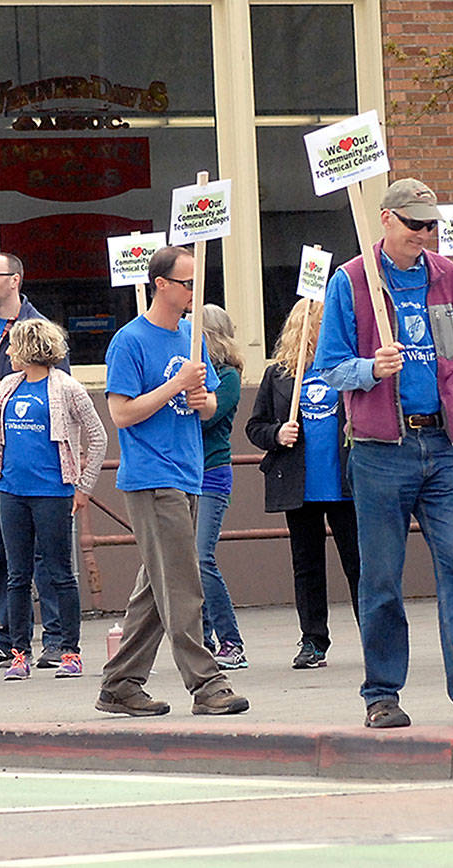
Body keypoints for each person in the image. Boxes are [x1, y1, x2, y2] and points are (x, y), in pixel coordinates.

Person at [313, 177, 453, 728]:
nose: (425, 234)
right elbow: (327, 365)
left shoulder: (448, 277)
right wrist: (368, 369)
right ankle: (381, 694)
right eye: (415, 224)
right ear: (385, 219)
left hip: (441, 444)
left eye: (431, 224)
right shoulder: (352, 280)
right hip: (381, 449)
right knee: (381, 577)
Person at [96, 245, 248, 717]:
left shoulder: (192, 335)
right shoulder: (130, 341)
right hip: (151, 476)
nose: (192, 294)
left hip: (190, 471)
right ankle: (206, 683)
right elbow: (121, 414)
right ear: (160, 284)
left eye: (197, 285)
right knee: (182, 582)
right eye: (187, 284)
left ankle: (120, 684)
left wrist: (202, 399)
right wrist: (176, 385)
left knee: (155, 587)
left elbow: (201, 406)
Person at [0, 318, 107, 681]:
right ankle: (19, 652)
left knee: (60, 573)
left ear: (29, 350)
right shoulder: (9, 386)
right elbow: (2, 440)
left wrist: (83, 486)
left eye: (12, 347)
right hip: (11, 490)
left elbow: (98, 435)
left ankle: (70, 651)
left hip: (53, 492)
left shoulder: (67, 388)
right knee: (16, 575)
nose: (8, 353)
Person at [0, 252, 68, 671]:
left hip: (34, 456)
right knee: (4, 552)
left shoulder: (38, 329)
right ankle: (11, 637)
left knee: (45, 555)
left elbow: (60, 387)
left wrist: (2, 383)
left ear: (15, 280)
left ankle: (56, 638)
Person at [246, 298, 360, 670]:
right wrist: (278, 433)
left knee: (360, 562)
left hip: (345, 481)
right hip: (300, 484)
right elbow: (255, 426)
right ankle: (313, 639)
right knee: (306, 565)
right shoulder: (279, 375)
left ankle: (374, 634)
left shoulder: (346, 369)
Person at [196, 303, 247, 669]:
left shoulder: (227, 377)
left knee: (201, 557)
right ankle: (202, 638)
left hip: (211, 472)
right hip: (184, 473)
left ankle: (232, 641)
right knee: (184, 561)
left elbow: (207, 419)